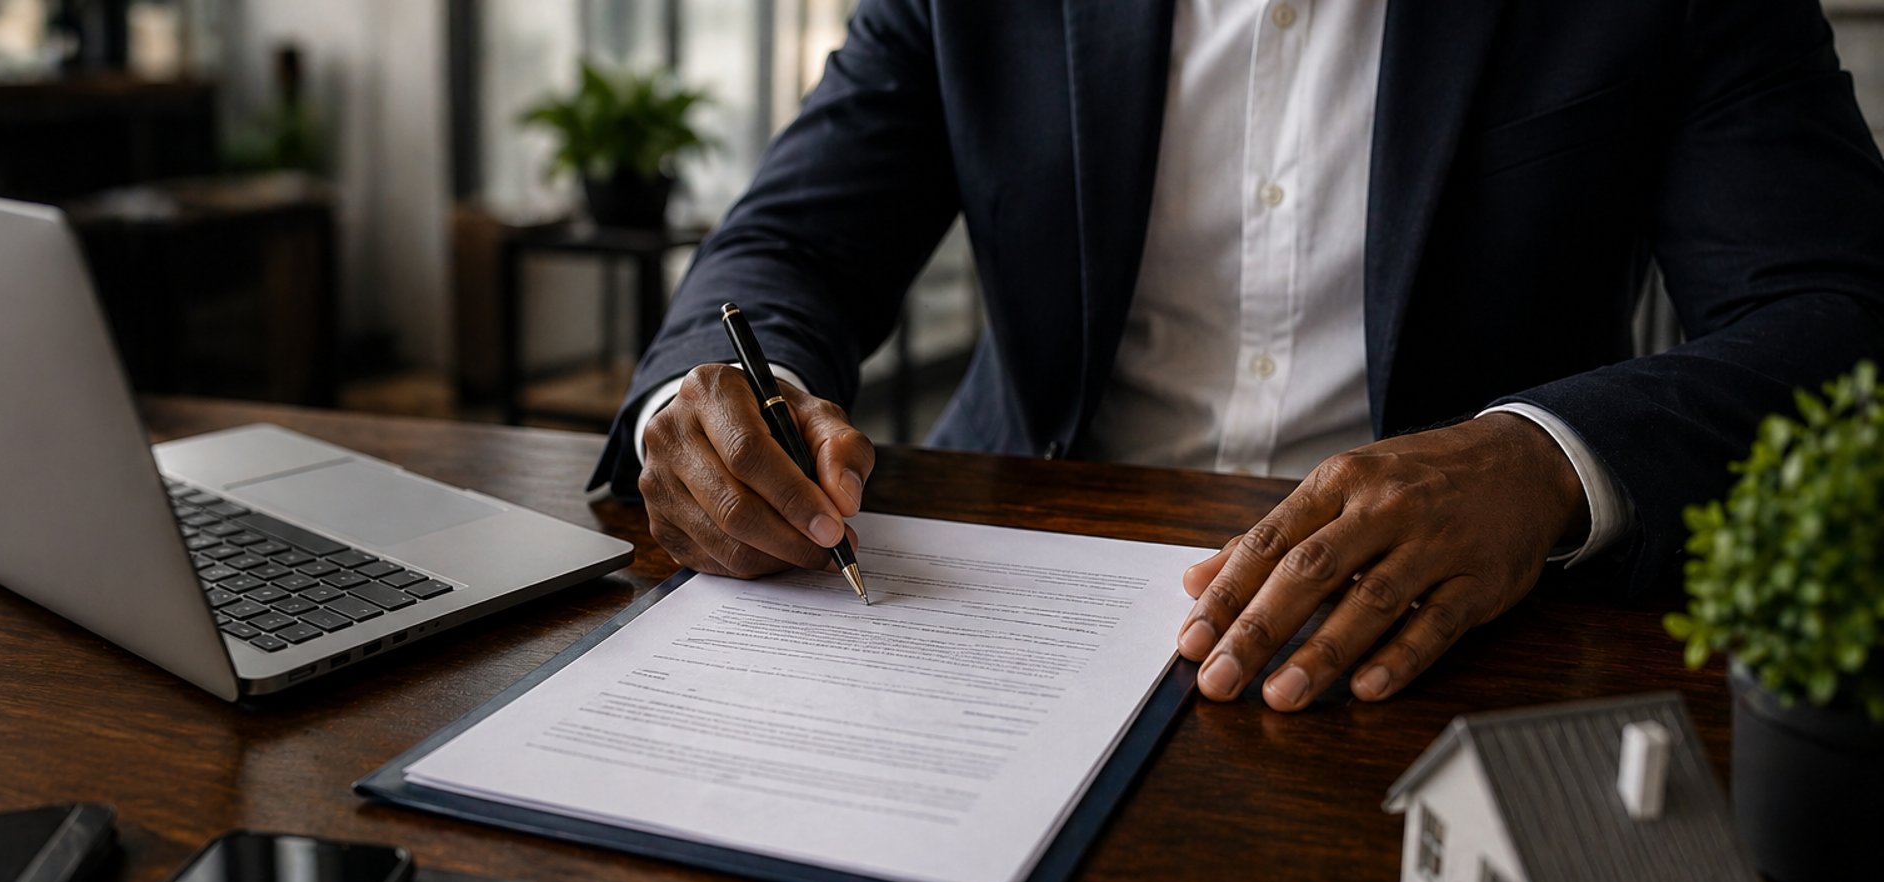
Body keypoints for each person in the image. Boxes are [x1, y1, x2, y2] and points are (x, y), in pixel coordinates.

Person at [586, 0, 1884, 712]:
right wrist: (709, 398)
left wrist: (1541, 461)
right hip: (981, 618)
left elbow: (1835, 312)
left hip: (1447, 660)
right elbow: (788, 247)